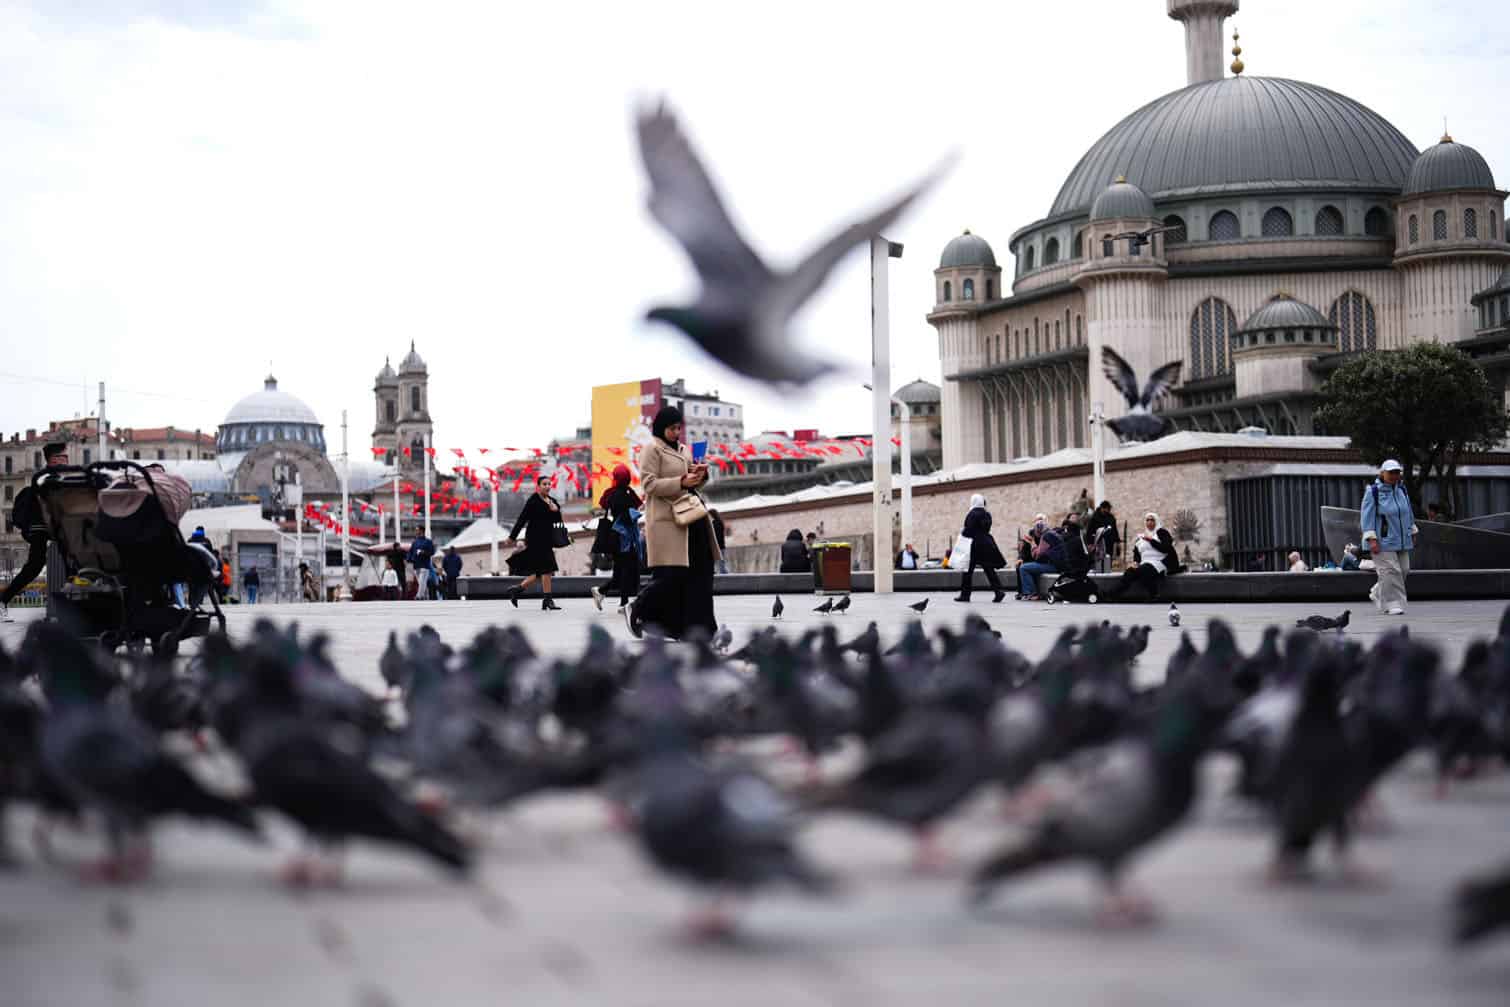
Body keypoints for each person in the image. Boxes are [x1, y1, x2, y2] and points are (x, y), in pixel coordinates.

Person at [625, 405, 720, 640]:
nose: (677, 432)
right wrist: (681, 481)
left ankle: (697, 629)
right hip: (667, 521)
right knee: (670, 576)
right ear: (661, 427)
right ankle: (639, 608)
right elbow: (648, 484)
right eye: (672, 428)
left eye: (679, 428)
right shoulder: (651, 449)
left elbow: (692, 483)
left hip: (691, 517)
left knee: (701, 572)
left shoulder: (684, 450)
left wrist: (700, 475)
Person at [0, 441, 68, 622]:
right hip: (40, 526)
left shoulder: (61, 475)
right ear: (53, 459)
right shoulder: (43, 477)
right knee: (34, 566)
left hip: (55, 526)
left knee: (71, 561)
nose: (67, 460)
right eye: (63, 457)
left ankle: (70, 606)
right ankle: (3, 600)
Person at [1361, 458, 1417, 615]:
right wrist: (1371, 539)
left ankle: (1379, 591)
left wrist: (1412, 530)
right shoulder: (1373, 492)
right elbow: (1367, 517)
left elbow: (1408, 513)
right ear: (1382, 473)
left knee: (1404, 569)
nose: (1394, 475)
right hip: (1382, 540)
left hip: (1401, 539)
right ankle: (1393, 604)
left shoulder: (1402, 491)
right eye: (1391, 472)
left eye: (1397, 472)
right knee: (1391, 571)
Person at [506, 474, 564, 610]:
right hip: (535, 539)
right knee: (548, 569)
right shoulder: (533, 500)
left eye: (549, 484)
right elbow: (522, 519)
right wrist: (512, 537)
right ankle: (547, 600)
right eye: (544, 484)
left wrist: (555, 511)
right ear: (538, 486)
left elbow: (558, 522)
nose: (547, 486)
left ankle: (518, 590)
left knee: (542, 571)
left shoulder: (553, 501)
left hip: (547, 540)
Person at [592, 464, 643, 611]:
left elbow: (606, 505)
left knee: (622, 570)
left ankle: (603, 592)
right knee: (626, 569)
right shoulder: (627, 493)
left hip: (615, 536)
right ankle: (622, 603)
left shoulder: (610, 493)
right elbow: (632, 511)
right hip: (624, 537)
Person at [1107, 512, 1182, 600]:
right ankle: (1112, 594)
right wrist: (1136, 562)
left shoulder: (1162, 533)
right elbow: (1137, 552)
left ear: (1156, 521)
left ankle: (1154, 595)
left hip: (1160, 563)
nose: (1149, 522)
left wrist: (1151, 540)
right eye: (1147, 520)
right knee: (1129, 572)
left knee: (1145, 569)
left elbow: (1165, 548)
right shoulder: (1142, 537)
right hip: (1144, 564)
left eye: (1152, 520)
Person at [955, 493, 1007, 603]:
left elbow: (968, 530)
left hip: (974, 545)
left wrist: (962, 533)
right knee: (989, 570)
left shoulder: (971, 514)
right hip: (987, 543)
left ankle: (965, 595)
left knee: (968, 571)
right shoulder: (987, 514)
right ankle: (999, 591)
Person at [1017, 515, 1068, 601]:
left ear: (1038, 530)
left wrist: (1032, 543)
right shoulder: (1051, 533)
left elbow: (1037, 556)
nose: (1035, 534)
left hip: (1054, 566)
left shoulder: (1046, 536)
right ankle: (1029, 592)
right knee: (1028, 566)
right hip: (1058, 564)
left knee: (1023, 568)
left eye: (1035, 532)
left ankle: (1031, 593)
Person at [1086, 500, 1121, 571]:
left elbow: (1114, 530)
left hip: (1109, 543)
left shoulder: (1111, 517)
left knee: (1108, 560)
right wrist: (1090, 543)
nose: (1108, 510)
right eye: (1106, 509)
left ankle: (1107, 571)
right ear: (1102, 508)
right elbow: (1089, 531)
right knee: (1098, 561)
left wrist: (1117, 541)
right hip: (1098, 543)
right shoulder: (1094, 517)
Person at [709, 509, 729, 574]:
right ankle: (724, 573)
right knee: (721, 562)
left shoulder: (714, 523)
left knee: (714, 561)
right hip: (721, 545)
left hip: (716, 545)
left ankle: (719, 572)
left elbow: (715, 535)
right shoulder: (720, 522)